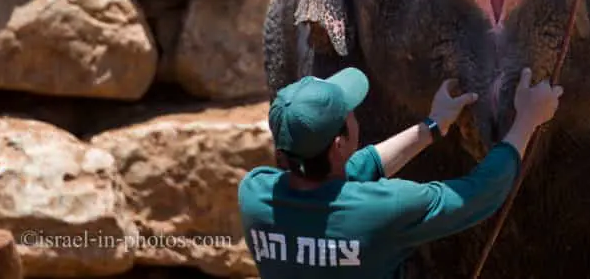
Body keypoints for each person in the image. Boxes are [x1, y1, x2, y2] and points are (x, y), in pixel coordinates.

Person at [237, 66, 563, 278]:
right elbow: (480, 193)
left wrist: (433, 125)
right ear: (339, 144)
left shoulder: (254, 194)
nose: (354, 115)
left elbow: (345, 175)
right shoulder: (386, 208)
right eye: (349, 112)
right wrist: (527, 121)